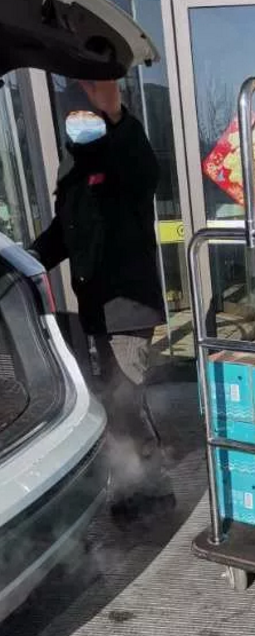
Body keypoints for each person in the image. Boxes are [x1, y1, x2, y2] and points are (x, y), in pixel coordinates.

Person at [30, 80, 174, 519]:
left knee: (125, 401)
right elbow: (64, 231)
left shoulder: (121, 152)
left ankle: (152, 489)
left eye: (86, 113)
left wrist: (116, 115)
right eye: (72, 113)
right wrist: (28, 258)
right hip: (96, 307)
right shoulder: (73, 165)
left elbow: (146, 173)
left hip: (126, 308)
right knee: (115, 400)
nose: (78, 120)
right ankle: (131, 483)